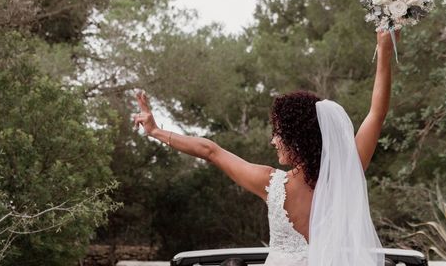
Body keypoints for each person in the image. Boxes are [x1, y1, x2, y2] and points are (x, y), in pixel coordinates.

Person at [133, 31, 397, 266]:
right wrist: (384, 50)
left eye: (279, 134)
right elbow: (376, 113)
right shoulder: (346, 173)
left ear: (298, 139)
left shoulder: (272, 184)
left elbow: (210, 151)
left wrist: (156, 131)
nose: (273, 141)